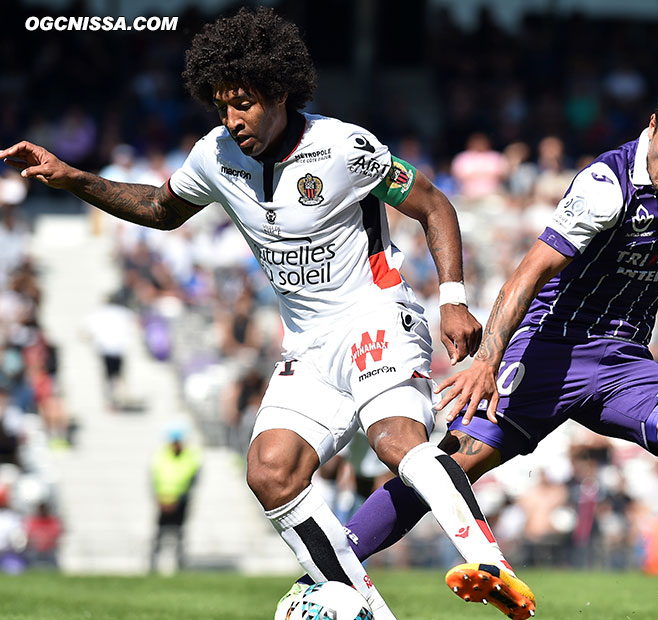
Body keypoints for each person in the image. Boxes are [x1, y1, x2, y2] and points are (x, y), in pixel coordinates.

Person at [0, 8, 534, 620]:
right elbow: (159, 207)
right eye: (223, 105)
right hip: (307, 344)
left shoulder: (345, 147)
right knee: (270, 473)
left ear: (279, 92)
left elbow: (434, 205)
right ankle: (364, 609)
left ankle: (489, 563)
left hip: (376, 314)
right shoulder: (216, 155)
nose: (233, 119)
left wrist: (454, 299)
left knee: (395, 441)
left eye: (245, 104)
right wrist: (73, 179)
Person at [340, 71, 658, 620]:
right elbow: (527, 274)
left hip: (623, 364)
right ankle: (332, 561)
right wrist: (488, 361)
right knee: (453, 468)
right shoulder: (605, 187)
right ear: (651, 125)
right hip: (549, 354)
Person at [150, 425, 201, 573]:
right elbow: (155, 478)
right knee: (159, 533)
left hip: (180, 501)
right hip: (163, 501)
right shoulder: (161, 455)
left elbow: (192, 479)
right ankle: (153, 562)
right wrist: (159, 498)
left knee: (179, 533)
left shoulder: (190, 457)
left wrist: (180, 498)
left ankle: (179, 563)